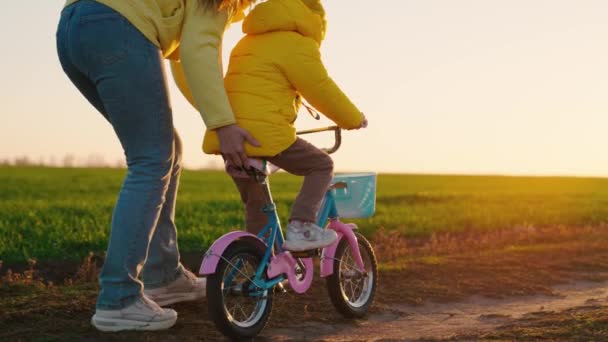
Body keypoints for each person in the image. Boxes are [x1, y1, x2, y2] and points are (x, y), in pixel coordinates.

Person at [56, 0, 259, 332]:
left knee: (166, 148)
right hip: (118, 26)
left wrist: (220, 119)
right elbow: (199, 51)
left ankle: (164, 276)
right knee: (150, 159)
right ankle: (119, 298)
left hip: (75, 28)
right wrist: (224, 124)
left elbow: (185, 62)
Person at [173, 0, 367, 252]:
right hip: (264, 136)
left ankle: (257, 268)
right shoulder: (296, 43)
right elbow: (320, 88)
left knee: (257, 205)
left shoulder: (248, 42)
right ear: (314, 19)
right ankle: (302, 226)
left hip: (231, 138)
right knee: (321, 165)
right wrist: (352, 118)